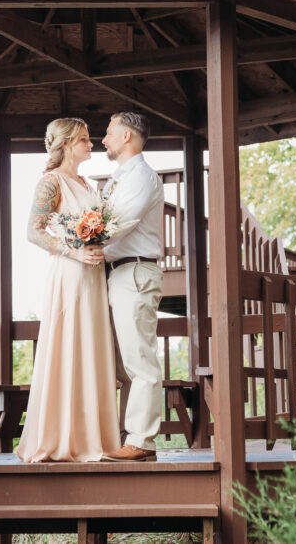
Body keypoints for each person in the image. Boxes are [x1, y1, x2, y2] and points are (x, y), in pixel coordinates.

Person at [16, 118, 121, 462]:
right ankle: (60, 438)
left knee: (92, 348)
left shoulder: (89, 185)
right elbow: (33, 231)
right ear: (65, 144)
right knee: (69, 347)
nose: (91, 145)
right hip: (70, 274)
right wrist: (74, 250)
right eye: (84, 140)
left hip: (94, 276)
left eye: (90, 139)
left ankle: (95, 438)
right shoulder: (51, 182)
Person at [99, 112, 165, 463]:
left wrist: (81, 244)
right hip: (117, 273)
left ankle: (142, 441)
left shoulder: (140, 176)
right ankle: (125, 435)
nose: (103, 139)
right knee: (123, 364)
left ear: (127, 136)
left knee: (140, 360)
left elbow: (118, 224)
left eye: (109, 133)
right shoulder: (119, 177)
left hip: (135, 272)